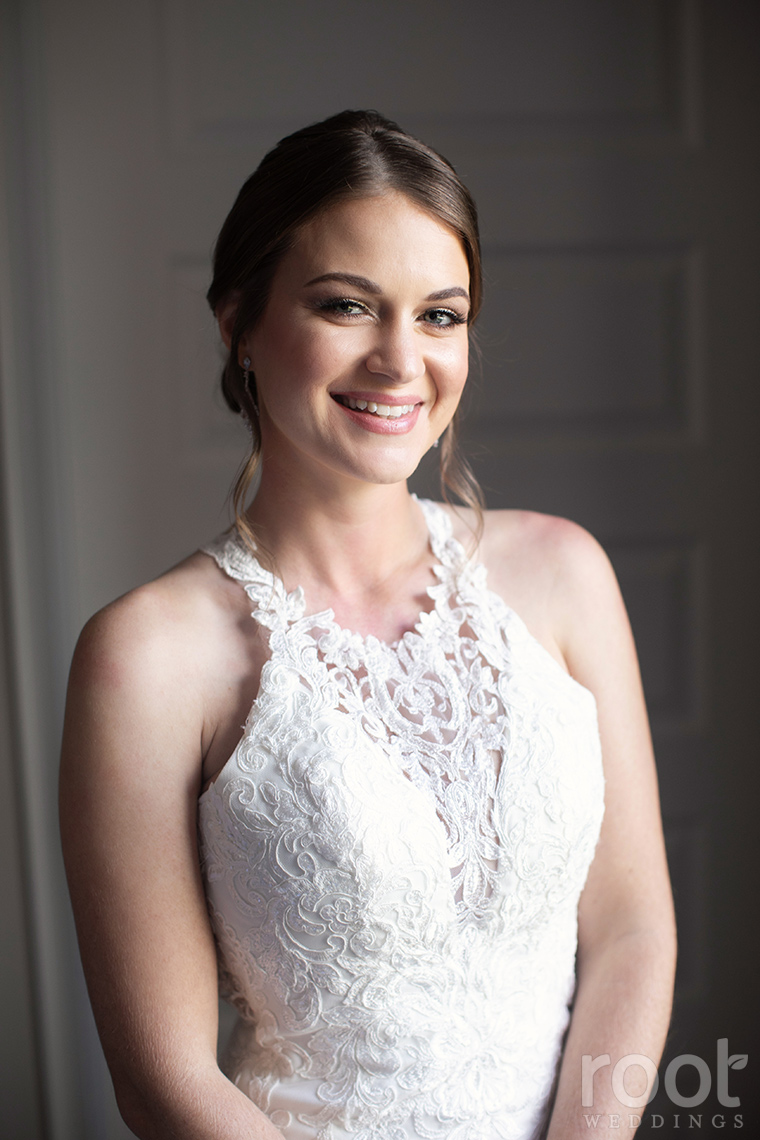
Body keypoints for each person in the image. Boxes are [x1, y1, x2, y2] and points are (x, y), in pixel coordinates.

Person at [59, 110, 676, 1140]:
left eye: (439, 315)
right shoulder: (146, 658)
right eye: (347, 306)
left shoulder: (564, 574)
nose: (399, 360)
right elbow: (164, 1083)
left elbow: (630, 929)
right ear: (238, 323)